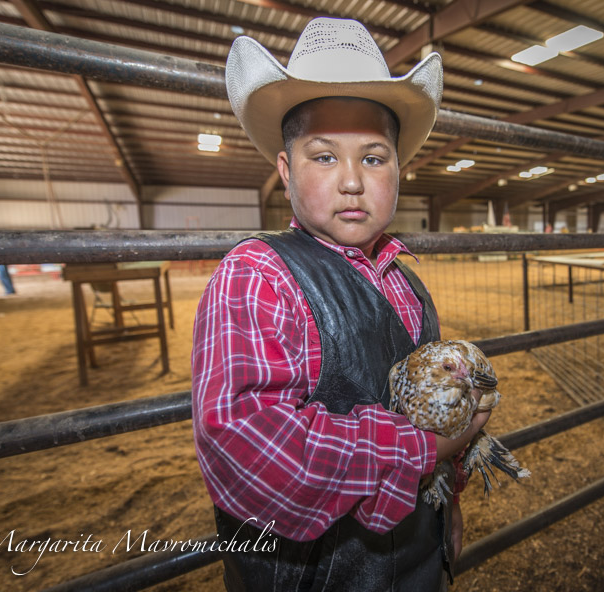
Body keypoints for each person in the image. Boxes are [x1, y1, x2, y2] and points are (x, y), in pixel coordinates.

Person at [192, 17, 490, 591]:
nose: (352, 180)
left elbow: (430, 408)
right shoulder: (257, 276)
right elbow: (249, 448)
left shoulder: (407, 286)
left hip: (415, 566)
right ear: (286, 172)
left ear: (399, 171)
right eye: (324, 157)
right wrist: (424, 450)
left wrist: (445, 499)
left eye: (374, 158)